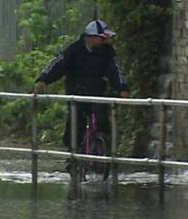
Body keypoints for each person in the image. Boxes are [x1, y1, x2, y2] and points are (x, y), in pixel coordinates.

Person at [33, 19, 130, 159]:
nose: (104, 42)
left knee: (102, 120)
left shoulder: (107, 52)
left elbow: (116, 70)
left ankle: (103, 150)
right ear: (90, 37)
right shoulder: (74, 50)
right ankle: (73, 154)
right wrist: (43, 80)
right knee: (75, 123)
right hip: (76, 92)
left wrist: (122, 88)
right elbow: (58, 65)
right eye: (102, 38)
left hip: (98, 93)